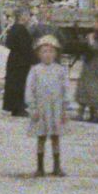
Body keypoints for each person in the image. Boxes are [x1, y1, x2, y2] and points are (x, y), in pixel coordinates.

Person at [26, 32, 72, 176]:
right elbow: (29, 89)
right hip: (41, 109)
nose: (47, 54)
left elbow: (66, 89)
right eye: (44, 51)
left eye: (51, 51)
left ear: (55, 54)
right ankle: (40, 167)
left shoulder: (60, 70)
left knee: (55, 136)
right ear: (39, 54)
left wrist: (65, 109)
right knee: (41, 137)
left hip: (56, 109)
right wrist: (32, 107)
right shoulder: (35, 70)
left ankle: (56, 166)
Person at [0, 12, 35, 117]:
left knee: (13, 84)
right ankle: (19, 108)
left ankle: (13, 107)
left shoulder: (14, 28)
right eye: (27, 16)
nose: (29, 18)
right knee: (19, 84)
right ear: (22, 17)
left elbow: (8, 43)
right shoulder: (21, 30)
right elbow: (25, 47)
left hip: (13, 60)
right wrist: (33, 59)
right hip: (21, 61)